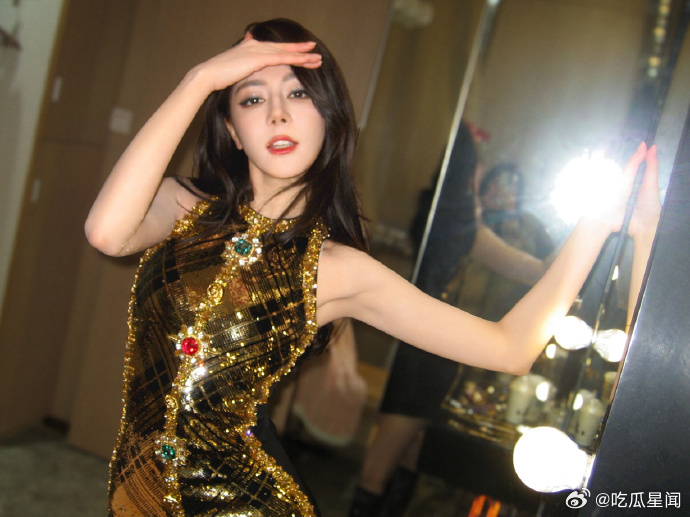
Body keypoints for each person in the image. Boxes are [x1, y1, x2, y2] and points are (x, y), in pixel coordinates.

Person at [84, 18, 660, 517]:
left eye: (299, 94)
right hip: (134, 495)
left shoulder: (337, 268)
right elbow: (107, 233)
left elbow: (510, 347)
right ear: (232, 130)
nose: (278, 113)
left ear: (329, 118)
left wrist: (598, 225)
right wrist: (199, 79)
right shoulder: (185, 207)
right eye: (252, 99)